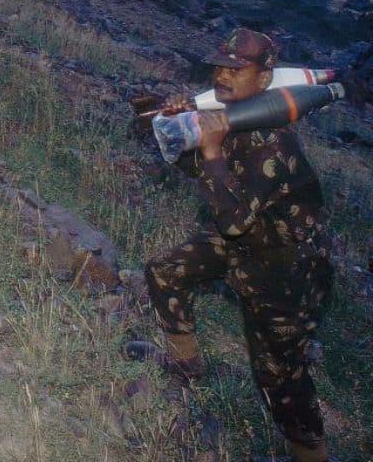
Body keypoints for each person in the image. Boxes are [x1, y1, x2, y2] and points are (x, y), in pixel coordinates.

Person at [130, 29, 333, 462]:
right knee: (165, 270)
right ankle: (184, 364)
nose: (223, 75)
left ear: (265, 79)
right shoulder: (229, 115)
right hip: (243, 245)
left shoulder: (274, 142)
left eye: (237, 69)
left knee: (279, 377)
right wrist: (172, 122)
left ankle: (312, 454)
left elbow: (235, 221)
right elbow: (199, 173)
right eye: (221, 66)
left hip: (286, 269)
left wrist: (213, 152)